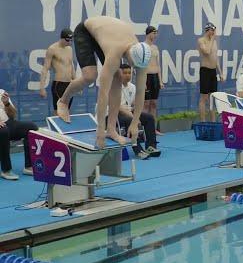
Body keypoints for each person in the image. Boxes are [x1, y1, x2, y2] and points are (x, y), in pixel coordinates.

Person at [56, 16, 151, 149]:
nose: (133, 67)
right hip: (86, 31)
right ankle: (63, 101)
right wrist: (100, 130)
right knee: (90, 76)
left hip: (106, 34)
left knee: (118, 77)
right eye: (132, 64)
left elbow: (141, 92)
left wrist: (134, 124)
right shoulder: (115, 53)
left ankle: (111, 130)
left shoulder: (142, 58)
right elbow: (103, 94)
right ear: (129, 55)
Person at [118, 64, 161, 159]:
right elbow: (118, 108)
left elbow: (134, 104)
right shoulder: (115, 87)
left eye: (129, 73)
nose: (127, 75)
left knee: (149, 118)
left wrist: (135, 112)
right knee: (130, 120)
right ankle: (138, 150)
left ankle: (151, 147)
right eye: (124, 73)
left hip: (129, 113)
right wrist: (134, 118)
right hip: (113, 117)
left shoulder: (132, 87)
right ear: (119, 73)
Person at [0, 89, 38, 180]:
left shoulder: (2, 92)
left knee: (31, 127)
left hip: (7, 123)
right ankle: (6, 170)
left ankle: (28, 166)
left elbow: (13, 115)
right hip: (2, 129)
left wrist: (6, 104)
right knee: (3, 132)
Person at [39, 28, 76, 113]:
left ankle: (65, 126)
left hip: (69, 84)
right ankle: (54, 126)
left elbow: (71, 66)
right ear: (62, 38)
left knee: (67, 110)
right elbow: (45, 69)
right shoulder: (52, 49)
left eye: (71, 40)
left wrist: (76, 82)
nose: (69, 42)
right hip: (58, 84)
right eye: (67, 40)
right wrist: (42, 88)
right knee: (58, 111)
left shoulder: (69, 49)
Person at [197, 22, 224, 123]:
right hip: (205, 71)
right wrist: (212, 39)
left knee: (212, 97)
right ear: (208, 30)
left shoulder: (214, 42)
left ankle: (213, 122)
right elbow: (207, 52)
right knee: (204, 97)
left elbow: (215, 58)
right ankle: (203, 121)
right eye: (212, 31)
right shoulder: (201, 40)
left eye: (214, 31)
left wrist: (220, 72)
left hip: (213, 71)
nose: (214, 33)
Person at [142, 26, 164, 133]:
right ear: (148, 33)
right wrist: (143, 81)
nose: (155, 36)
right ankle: (144, 129)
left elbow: (158, 65)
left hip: (155, 77)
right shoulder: (142, 47)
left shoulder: (155, 47)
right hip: (146, 77)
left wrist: (160, 80)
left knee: (154, 103)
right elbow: (141, 65)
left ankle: (153, 129)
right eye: (154, 33)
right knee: (145, 104)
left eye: (156, 33)